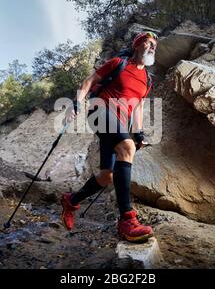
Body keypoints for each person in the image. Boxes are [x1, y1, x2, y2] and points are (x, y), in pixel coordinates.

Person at [61, 32, 158, 243]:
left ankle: (71, 200)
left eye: (154, 46)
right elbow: (89, 81)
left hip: (119, 123)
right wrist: (76, 102)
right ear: (137, 45)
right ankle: (127, 220)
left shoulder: (146, 80)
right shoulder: (118, 63)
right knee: (126, 147)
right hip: (100, 111)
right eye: (148, 43)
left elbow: (138, 108)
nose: (152, 47)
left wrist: (139, 133)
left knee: (107, 176)